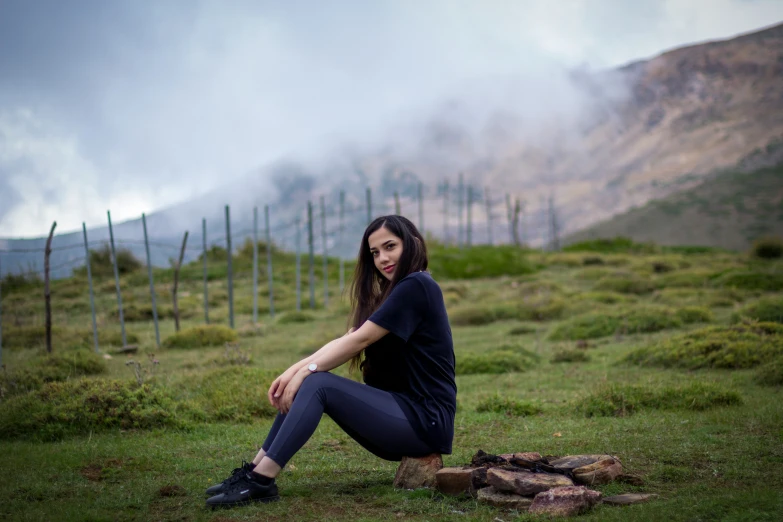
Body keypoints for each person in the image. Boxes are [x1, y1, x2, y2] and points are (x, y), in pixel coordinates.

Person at [205, 215, 457, 508]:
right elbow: (346, 338)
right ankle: (254, 471)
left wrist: (306, 373)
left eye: (390, 246)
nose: (382, 258)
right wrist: (295, 370)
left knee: (319, 384)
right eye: (375, 252)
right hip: (401, 414)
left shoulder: (417, 285)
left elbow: (358, 342)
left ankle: (261, 481)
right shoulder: (393, 293)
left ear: (412, 244)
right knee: (312, 379)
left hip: (425, 421)